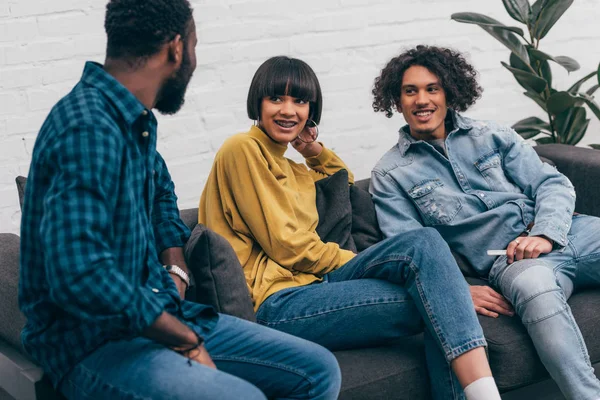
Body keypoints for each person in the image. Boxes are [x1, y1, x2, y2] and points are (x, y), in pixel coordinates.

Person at [18, 1, 342, 399]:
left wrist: (175, 272)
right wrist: (182, 338)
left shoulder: (134, 123)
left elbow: (163, 201)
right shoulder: (87, 127)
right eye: (194, 47)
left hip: (161, 315)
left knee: (318, 369)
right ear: (176, 49)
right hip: (94, 341)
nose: (193, 60)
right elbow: (80, 273)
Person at [199, 55, 502, 400]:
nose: (288, 110)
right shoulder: (242, 149)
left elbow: (338, 181)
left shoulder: (292, 169)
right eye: (276, 99)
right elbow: (289, 246)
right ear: (258, 102)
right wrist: (358, 264)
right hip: (278, 304)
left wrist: (312, 149)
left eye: (300, 101)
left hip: (314, 287)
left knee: (428, 256)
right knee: (436, 292)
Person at [369, 44, 600, 400]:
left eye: (432, 88)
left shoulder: (491, 135)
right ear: (396, 102)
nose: (422, 100)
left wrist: (544, 233)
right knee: (538, 295)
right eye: (409, 91)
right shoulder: (392, 173)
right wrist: (456, 289)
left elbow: (550, 183)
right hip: (511, 262)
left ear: (449, 92)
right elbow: (412, 247)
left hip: (570, 230)